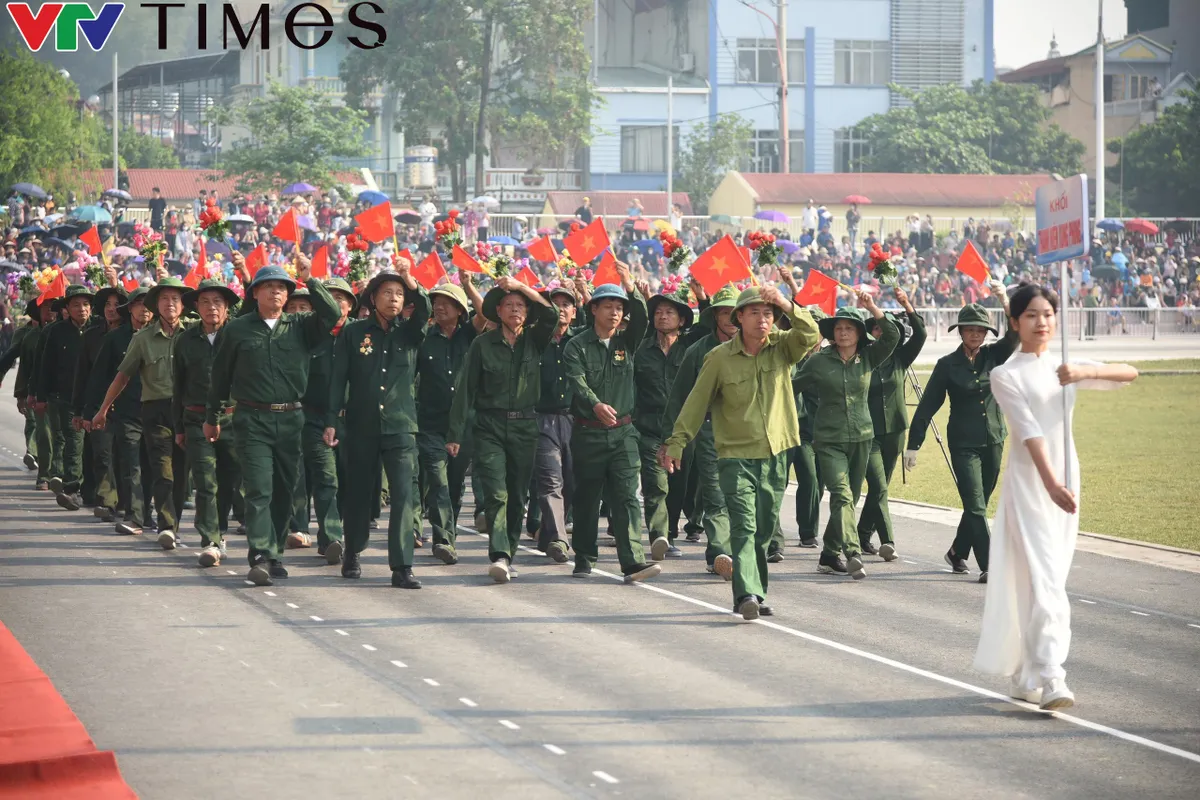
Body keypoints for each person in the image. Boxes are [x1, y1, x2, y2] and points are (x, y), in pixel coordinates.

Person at [975, 284, 1137, 710]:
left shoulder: (1066, 365)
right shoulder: (1005, 374)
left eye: (1047, 313)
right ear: (1014, 322)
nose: (1041, 322)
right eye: (1030, 315)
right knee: (1045, 580)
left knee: (1049, 578)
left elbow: (1130, 373)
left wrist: (1085, 373)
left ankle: (1027, 670)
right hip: (1032, 485)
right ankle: (1052, 675)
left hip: (1068, 479)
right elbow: (1029, 432)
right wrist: (1049, 484)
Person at [661, 285, 820, 619]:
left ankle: (756, 591)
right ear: (739, 318)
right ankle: (745, 592)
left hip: (776, 453)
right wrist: (676, 442)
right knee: (745, 526)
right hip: (735, 455)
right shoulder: (718, 358)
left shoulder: (782, 349)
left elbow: (810, 333)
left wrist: (785, 303)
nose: (762, 320)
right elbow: (695, 402)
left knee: (763, 529)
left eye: (768, 314)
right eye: (754, 313)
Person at [206, 257, 340, 587]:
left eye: (282, 288)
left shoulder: (301, 325)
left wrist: (311, 280)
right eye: (269, 287)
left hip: (292, 419)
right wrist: (213, 417)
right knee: (259, 489)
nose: (277, 293)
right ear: (255, 293)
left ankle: (276, 551)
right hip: (252, 418)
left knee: (285, 491)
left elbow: (334, 315)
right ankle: (260, 553)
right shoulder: (237, 329)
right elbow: (220, 376)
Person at [446, 276, 556, 583]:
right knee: (496, 492)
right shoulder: (483, 344)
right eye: (509, 305)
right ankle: (499, 554)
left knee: (517, 494)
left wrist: (522, 287)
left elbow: (552, 315)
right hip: (489, 426)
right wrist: (455, 434)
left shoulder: (535, 339)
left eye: (520, 305)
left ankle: (509, 550)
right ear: (498, 311)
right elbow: (465, 390)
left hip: (525, 426)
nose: (516, 309)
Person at [329, 267, 430, 589]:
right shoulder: (354, 333)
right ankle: (353, 551)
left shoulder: (410, 332)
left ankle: (402, 566)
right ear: (373, 298)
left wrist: (411, 281)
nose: (394, 299)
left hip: (401, 426)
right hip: (361, 425)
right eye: (387, 292)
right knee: (358, 493)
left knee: (402, 495)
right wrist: (332, 420)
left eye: (399, 294)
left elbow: (424, 309)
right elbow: (338, 378)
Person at [906, 292, 1015, 580]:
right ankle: (990, 564)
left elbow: (1017, 333)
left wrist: (1005, 299)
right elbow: (928, 404)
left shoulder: (995, 355)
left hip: (994, 439)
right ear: (961, 332)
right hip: (963, 444)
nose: (975, 334)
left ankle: (957, 552)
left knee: (977, 504)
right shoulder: (947, 365)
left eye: (980, 330)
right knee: (976, 504)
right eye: (970, 329)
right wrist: (913, 445)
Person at [563, 271, 663, 584]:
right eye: (608, 306)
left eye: (619, 307)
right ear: (593, 309)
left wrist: (632, 288)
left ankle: (633, 561)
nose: (615, 312)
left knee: (627, 497)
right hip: (588, 433)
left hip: (624, 434)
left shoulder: (627, 342)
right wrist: (594, 403)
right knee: (587, 498)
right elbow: (577, 381)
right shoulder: (576, 346)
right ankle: (583, 555)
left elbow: (644, 321)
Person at [794, 296, 898, 580]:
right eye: (838, 328)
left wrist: (873, 307)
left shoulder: (869, 358)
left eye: (849, 328)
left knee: (849, 498)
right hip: (828, 440)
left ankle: (828, 555)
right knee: (840, 495)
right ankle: (852, 552)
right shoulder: (817, 362)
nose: (842, 333)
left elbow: (892, 335)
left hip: (863, 437)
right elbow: (792, 389)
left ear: (858, 333)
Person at [94, 276, 190, 549]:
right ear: (156, 306)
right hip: (155, 411)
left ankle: (175, 522)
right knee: (163, 469)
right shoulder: (143, 339)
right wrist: (102, 410)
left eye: (175, 299)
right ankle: (167, 525)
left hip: (188, 411)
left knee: (182, 473)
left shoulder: (194, 335)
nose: (170, 304)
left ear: (183, 305)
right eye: (164, 299)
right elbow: (121, 377)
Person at [662, 283, 739, 578]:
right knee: (716, 495)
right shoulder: (698, 351)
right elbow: (679, 397)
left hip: (747, 433)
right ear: (715, 317)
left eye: (736, 312)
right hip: (708, 431)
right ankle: (719, 552)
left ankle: (740, 548)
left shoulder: (757, 347)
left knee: (743, 496)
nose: (731, 318)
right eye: (724, 312)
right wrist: (669, 440)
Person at [172, 278, 245, 568]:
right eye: (205, 302)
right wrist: (178, 426)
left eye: (218, 302)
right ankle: (210, 540)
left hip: (232, 419)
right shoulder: (186, 340)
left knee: (230, 480)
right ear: (196, 308)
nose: (212, 307)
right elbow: (178, 386)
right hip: (196, 419)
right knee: (205, 481)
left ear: (227, 307)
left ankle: (221, 530)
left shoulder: (237, 336)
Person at [288, 277, 359, 561]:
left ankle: (335, 533)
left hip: (353, 421)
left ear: (351, 306)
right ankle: (331, 536)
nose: (335, 303)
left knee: (349, 481)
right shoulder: (308, 333)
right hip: (314, 418)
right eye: (328, 297)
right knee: (325, 478)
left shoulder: (361, 334)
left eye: (341, 298)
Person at [635, 283, 708, 558]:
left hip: (684, 429)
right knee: (656, 484)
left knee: (679, 484)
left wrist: (702, 298)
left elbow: (712, 324)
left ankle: (672, 533)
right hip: (649, 428)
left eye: (669, 312)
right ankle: (659, 536)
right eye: (658, 312)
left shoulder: (691, 347)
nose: (662, 317)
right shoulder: (641, 349)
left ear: (682, 320)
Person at [415, 278, 485, 565]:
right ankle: (443, 538)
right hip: (431, 423)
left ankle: (448, 532)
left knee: (455, 485)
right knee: (438, 480)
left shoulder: (469, 335)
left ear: (460, 309)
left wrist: (468, 286)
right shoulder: (424, 337)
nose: (440, 307)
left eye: (447, 303)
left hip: (465, 425)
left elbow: (487, 314)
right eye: (436, 302)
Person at [856, 287, 927, 558]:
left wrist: (907, 304)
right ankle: (888, 541)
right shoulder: (861, 359)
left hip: (895, 430)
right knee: (879, 486)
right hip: (868, 432)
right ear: (870, 333)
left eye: (886, 330)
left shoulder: (901, 358)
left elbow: (920, 334)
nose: (881, 333)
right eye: (876, 329)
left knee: (881, 485)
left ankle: (862, 534)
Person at [87, 287, 153, 535]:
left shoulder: (165, 336)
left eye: (148, 304)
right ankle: (135, 515)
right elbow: (99, 377)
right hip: (125, 411)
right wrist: (92, 410)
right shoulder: (115, 339)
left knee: (152, 467)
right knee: (132, 464)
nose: (144, 309)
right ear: (130, 309)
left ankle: (147, 513)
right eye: (138, 304)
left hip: (157, 412)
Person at [532, 283, 582, 561]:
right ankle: (561, 541)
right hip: (542, 419)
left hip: (575, 420)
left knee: (572, 482)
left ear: (575, 312)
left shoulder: (581, 341)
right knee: (551, 480)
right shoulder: (537, 339)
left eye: (566, 305)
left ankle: (549, 533)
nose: (560, 309)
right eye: (555, 304)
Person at [36, 284, 94, 511]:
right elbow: (45, 367)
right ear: (67, 308)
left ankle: (93, 490)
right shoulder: (56, 331)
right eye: (76, 305)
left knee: (95, 447)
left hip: (96, 398)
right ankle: (72, 489)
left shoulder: (99, 328)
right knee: (73, 441)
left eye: (86, 304)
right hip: (66, 398)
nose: (82, 309)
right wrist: (41, 396)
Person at [73, 279, 125, 521]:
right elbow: (83, 376)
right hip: (99, 407)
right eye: (107, 304)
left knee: (125, 458)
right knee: (102, 455)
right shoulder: (92, 337)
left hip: (130, 407)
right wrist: (81, 411)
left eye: (116, 304)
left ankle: (127, 502)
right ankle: (107, 501)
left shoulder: (134, 335)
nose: (111, 308)